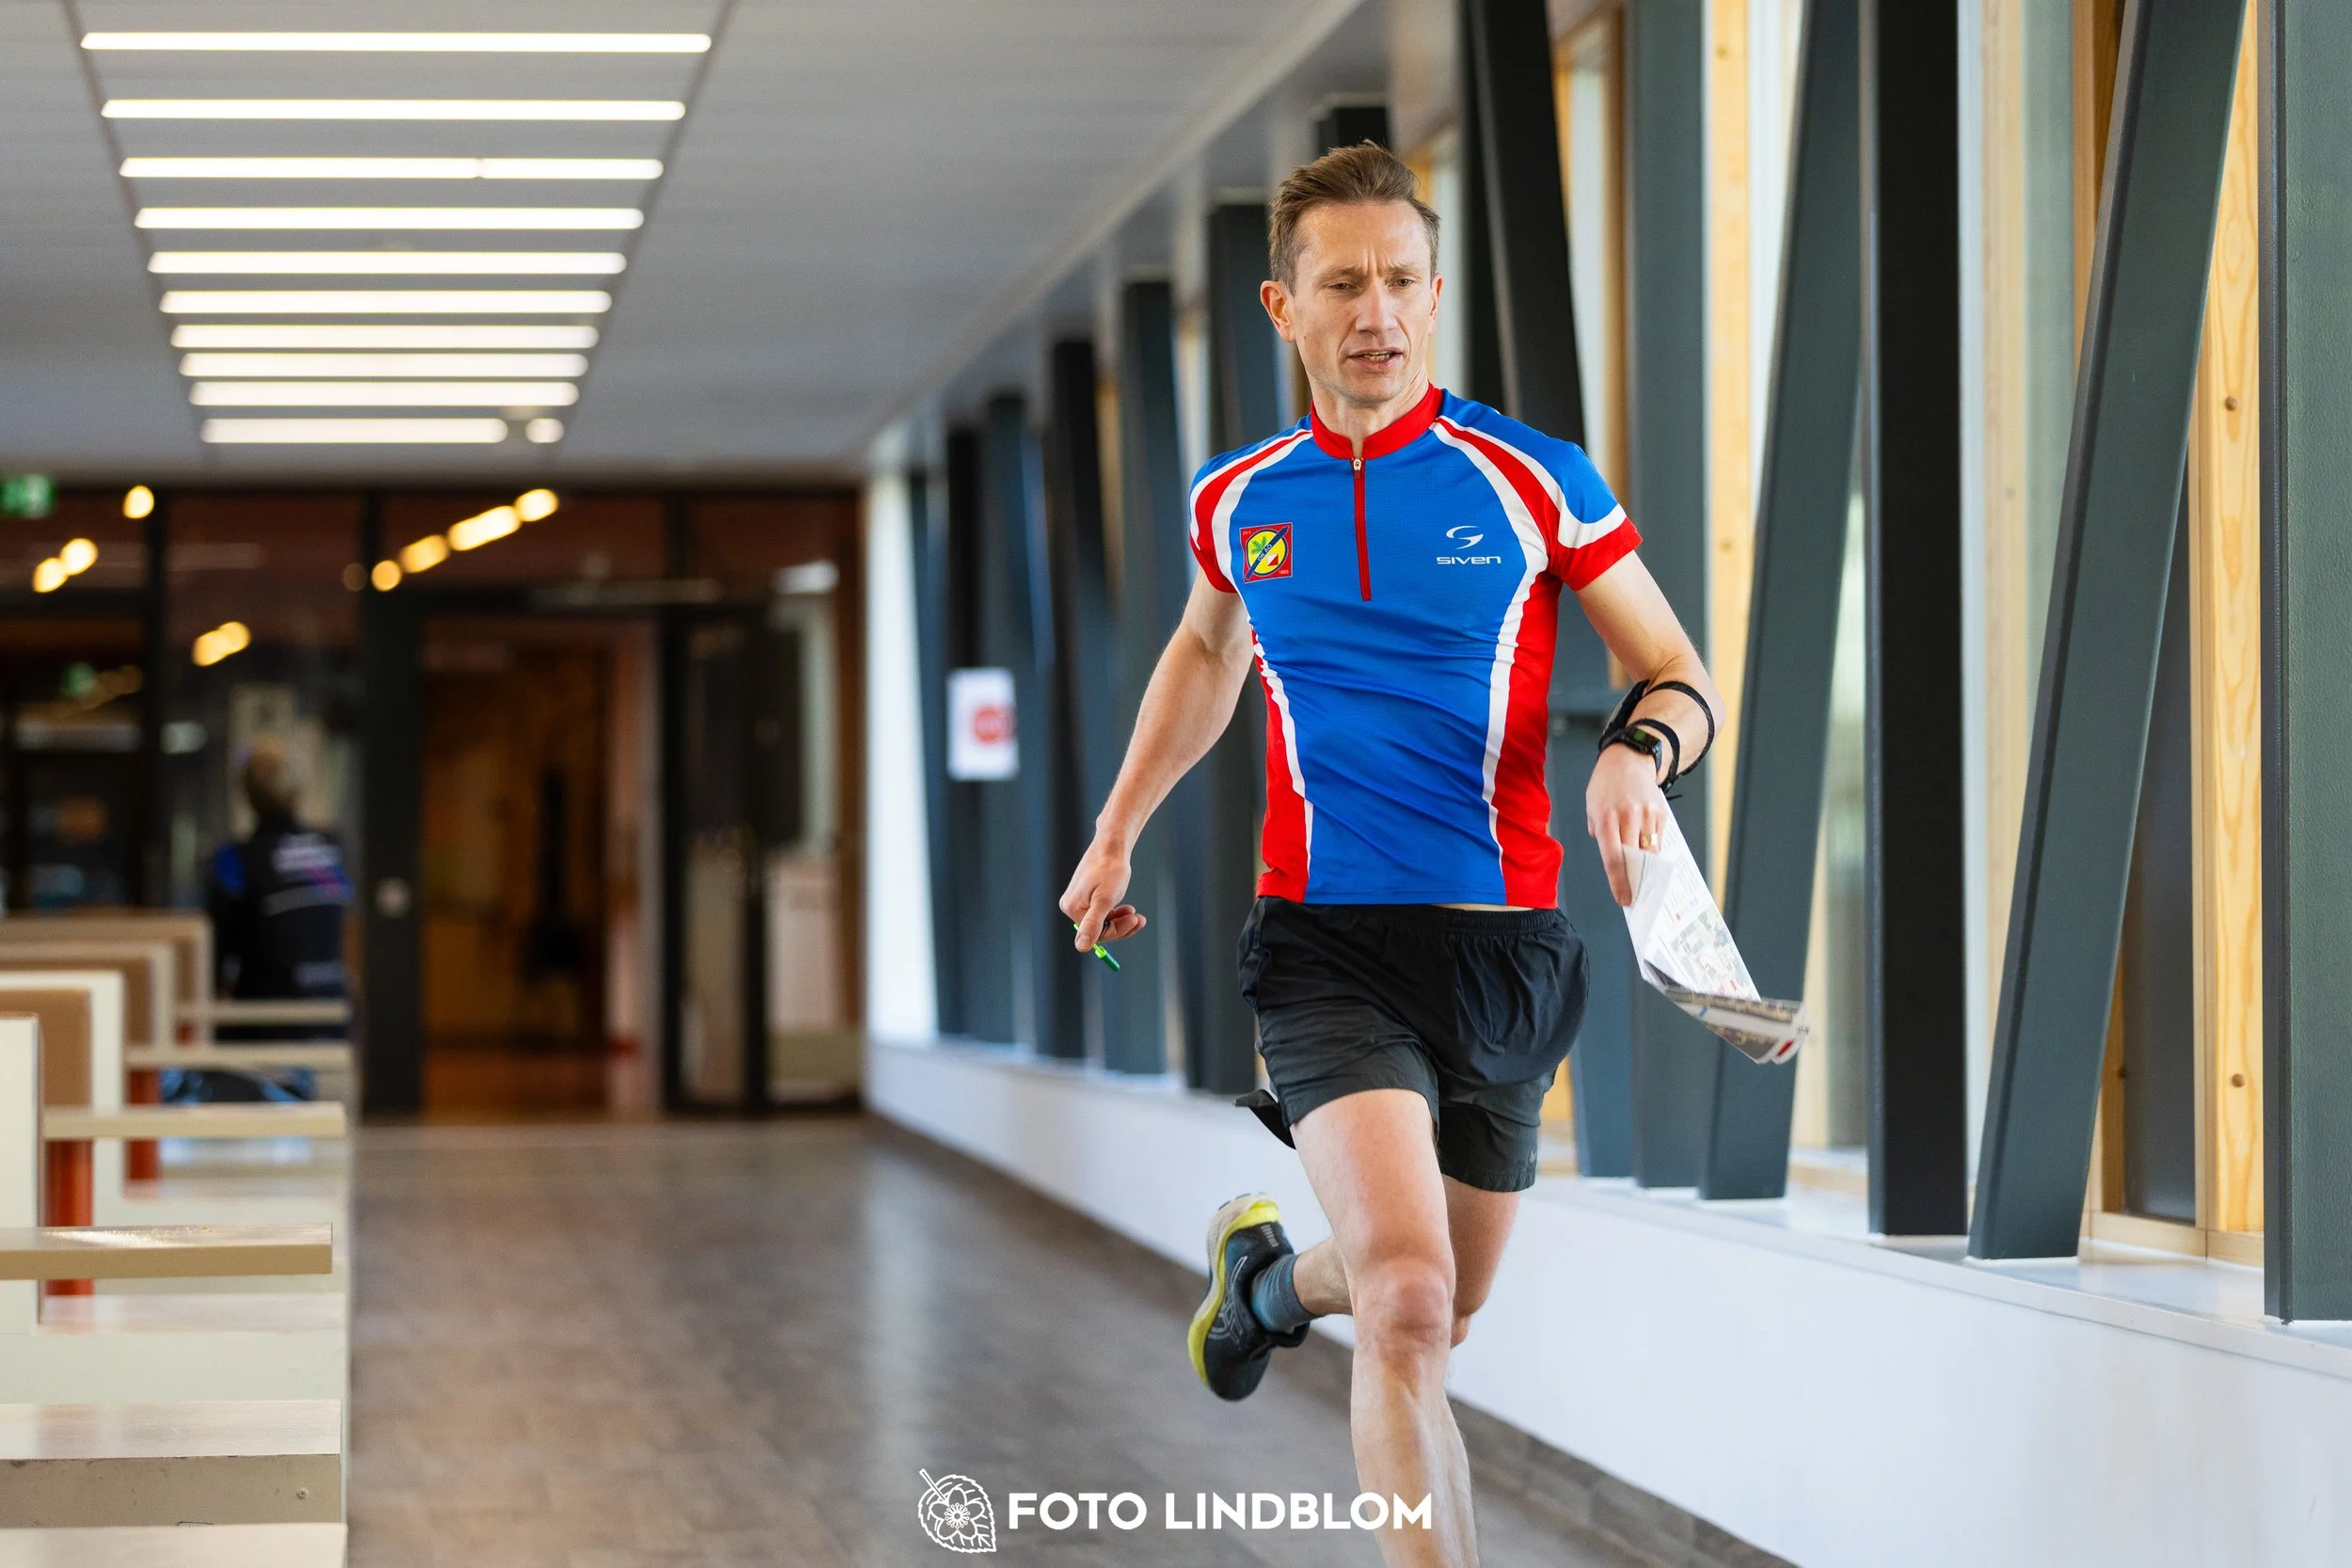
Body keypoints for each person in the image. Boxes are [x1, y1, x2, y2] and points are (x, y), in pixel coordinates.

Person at [1058, 143, 1720, 1568]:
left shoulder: (1528, 478)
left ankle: (1272, 1286)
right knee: (1411, 1303)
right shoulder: (1242, 498)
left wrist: (1635, 748)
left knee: (1441, 1300)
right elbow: (1202, 646)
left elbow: (1678, 670)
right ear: (1281, 305)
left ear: (1433, 293)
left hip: (1508, 952)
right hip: (1324, 941)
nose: (1378, 311)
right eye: (1344, 283)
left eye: (1403, 281)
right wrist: (1117, 827)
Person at [178, 739, 354, 1103]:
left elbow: (217, 950)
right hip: (330, 1007)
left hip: (265, 1015)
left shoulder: (235, 860)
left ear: (247, 796)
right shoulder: (330, 850)